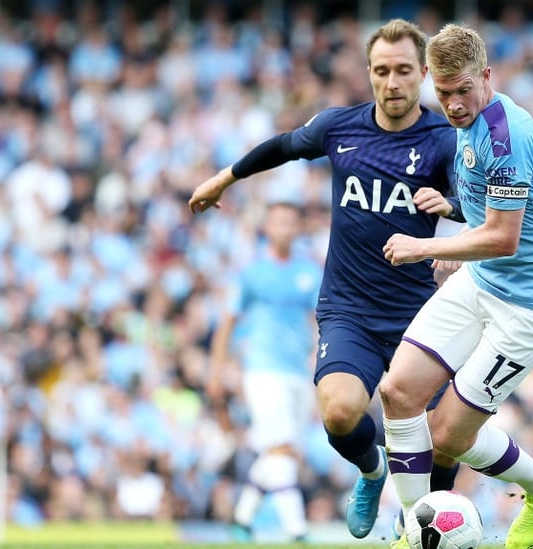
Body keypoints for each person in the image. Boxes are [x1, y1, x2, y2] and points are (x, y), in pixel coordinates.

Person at [188, 19, 465, 541]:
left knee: (443, 439)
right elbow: (285, 146)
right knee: (339, 413)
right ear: (369, 73)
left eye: (404, 70)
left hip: (418, 313)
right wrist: (225, 177)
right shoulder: (340, 128)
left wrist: (450, 217)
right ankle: (371, 472)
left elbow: (484, 212)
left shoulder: (443, 143)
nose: (392, 82)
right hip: (349, 311)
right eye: (382, 71)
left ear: (423, 73)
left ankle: (429, 527)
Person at [379, 24, 533, 549]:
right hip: (483, 280)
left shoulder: (507, 135)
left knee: (448, 436)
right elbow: (488, 213)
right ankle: (409, 530)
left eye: (462, 90)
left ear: (485, 76)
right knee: (398, 393)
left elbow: (505, 236)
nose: (452, 104)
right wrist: (453, 212)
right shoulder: (467, 124)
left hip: (531, 306)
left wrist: (429, 247)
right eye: (441, 92)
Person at [207, 200, 322, 542]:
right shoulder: (252, 274)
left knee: (278, 451)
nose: (284, 228)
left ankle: (241, 521)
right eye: (278, 222)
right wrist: (216, 370)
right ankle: (297, 531)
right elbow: (227, 322)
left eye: (290, 222)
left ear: (297, 227)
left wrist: (319, 355)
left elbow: (320, 320)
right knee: (281, 447)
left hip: (297, 371)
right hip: (262, 370)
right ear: (267, 228)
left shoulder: (309, 273)